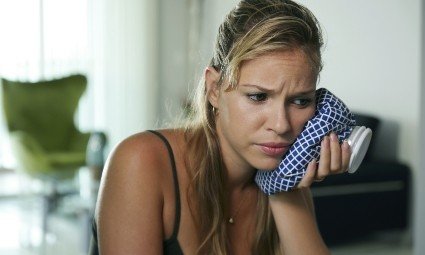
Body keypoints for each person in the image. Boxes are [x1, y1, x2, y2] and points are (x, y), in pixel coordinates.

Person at [89, 0, 352, 254]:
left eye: (300, 101)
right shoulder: (141, 162)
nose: (281, 125)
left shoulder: (285, 178)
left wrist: (285, 191)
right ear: (215, 89)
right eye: (258, 97)